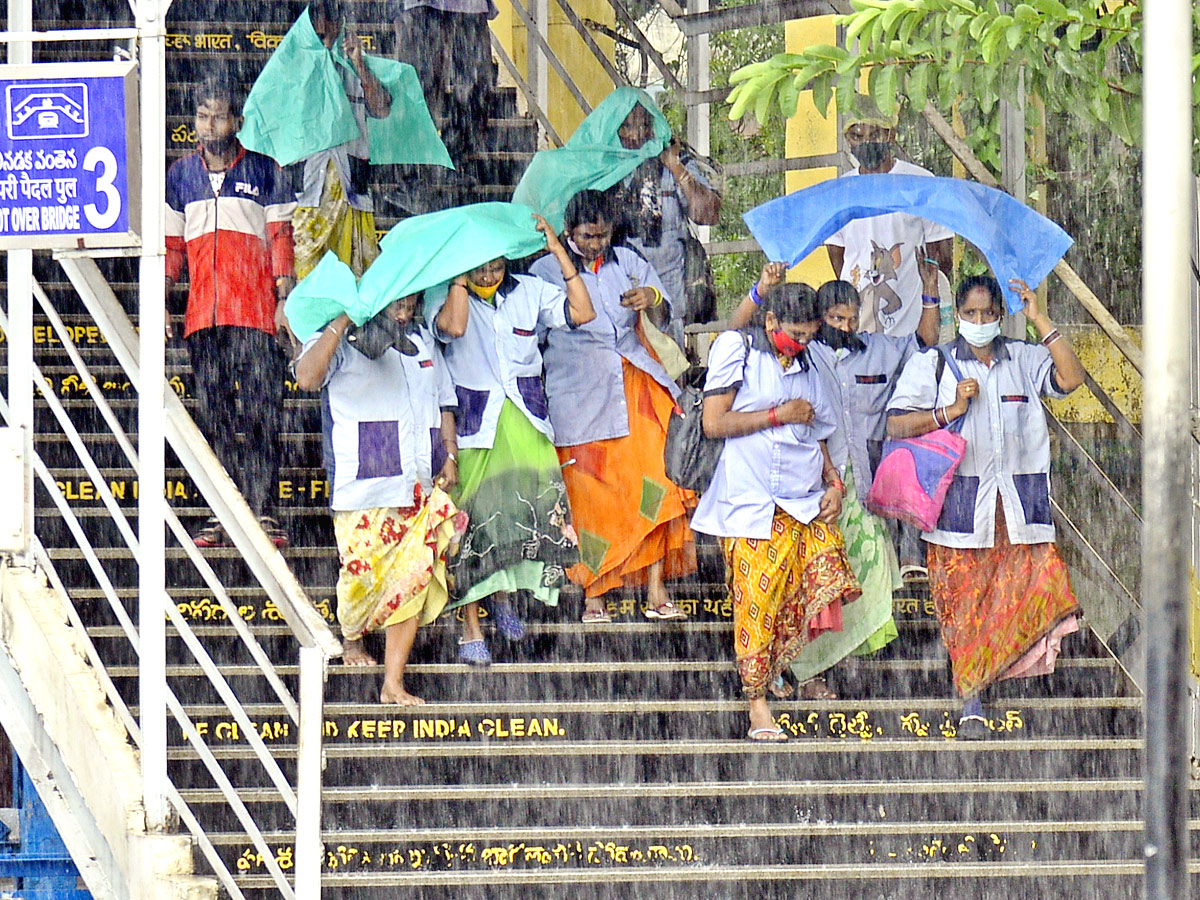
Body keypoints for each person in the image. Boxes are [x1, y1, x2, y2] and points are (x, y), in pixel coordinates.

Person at [886, 275, 1085, 739]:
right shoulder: (932, 363)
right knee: (965, 606)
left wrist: (1040, 319)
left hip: (1016, 508)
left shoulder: (1025, 359)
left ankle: (1004, 668)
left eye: (987, 314)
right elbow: (896, 426)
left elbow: (1071, 378)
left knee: (1040, 589)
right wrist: (949, 412)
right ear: (959, 315)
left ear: (1001, 315)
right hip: (956, 510)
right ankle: (971, 696)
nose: (979, 322)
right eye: (970, 314)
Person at [692, 282, 862, 740]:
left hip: (802, 500)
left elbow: (824, 430)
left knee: (824, 574)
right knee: (757, 601)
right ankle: (757, 703)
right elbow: (713, 423)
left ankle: (783, 664)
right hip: (747, 503)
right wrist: (777, 415)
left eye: (809, 335)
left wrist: (835, 483)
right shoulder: (739, 349)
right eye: (794, 335)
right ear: (771, 323)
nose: (802, 344)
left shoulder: (811, 363)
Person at [428, 214, 596, 664]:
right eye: (479, 267)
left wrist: (558, 252)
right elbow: (456, 328)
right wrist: (460, 277)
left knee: (520, 517)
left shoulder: (528, 291)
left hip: (525, 422)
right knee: (472, 524)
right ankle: (470, 629)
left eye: (495, 266)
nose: (489, 275)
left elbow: (583, 312)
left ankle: (503, 599)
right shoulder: (442, 294)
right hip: (474, 427)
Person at [530, 189, 695, 623]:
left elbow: (666, 312)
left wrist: (651, 302)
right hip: (576, 394)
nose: (596, 244)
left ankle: (657, 591)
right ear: (568, 232)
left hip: (635, 385)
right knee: (591, 497)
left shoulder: (629, 262)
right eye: (587, 236)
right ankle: (595, 595)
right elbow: (532, 339)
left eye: (602, 236)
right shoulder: (544, 272)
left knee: (657, 485)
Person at [293, 294, 467, 704]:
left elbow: (443, 401)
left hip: (419, 483)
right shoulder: (343, 337)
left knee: (414, 577)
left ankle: (393, 682)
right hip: (363, 484)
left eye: (410, 304)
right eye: (397, 305)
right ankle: (352, 639)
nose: (405, 313)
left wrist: (449, 453)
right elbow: (306, 377)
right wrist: (340, 321)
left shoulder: (423, 340)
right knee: (361, 578)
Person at [165, 76, 296, 548]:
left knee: (263, 415)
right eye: (202, 115)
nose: (209, 124)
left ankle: (263, 513)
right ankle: (222, 514)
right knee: (215, 419)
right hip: (204, 319)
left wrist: (284, 301)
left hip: (258, 317)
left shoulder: (266, 171)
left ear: (237, 121)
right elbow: (171, 246)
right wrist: (162, 300)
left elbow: (282, 238)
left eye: (218, 115)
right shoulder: (180, 176)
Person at [824, 108, 953, 338]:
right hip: (859, 326)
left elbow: (941, 256)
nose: (866, 142)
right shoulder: (839, 193)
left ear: (891, 135)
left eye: (875, 135)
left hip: (916, 324)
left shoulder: (920, 182)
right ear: (848, 140)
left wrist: (927, 296)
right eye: (857, 136)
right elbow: (838, 257)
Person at [294, 0, 393, 278]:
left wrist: (359, 65)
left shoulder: (355, 67)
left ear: (341, 30)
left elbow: (382, 109)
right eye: (319, 38)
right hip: (309, 197)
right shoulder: (295, 71)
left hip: (353, 194)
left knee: (356, 281)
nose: (326, 46)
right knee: (308, 283)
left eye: (330, 37)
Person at [610, 100, 722, 335]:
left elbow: (708, 214)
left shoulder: (673, 162)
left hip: (668, 305)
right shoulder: (604, 166)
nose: (633, 134)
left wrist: (675, 166)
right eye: (625, 127)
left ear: (653, 129)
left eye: (641, 127)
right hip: (616, 306)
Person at [392, 0, 497, 168]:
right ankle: (416, 168)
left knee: (474, 92)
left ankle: (459, 162)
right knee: (416, 89)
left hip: (468, 8)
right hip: (423, 8)